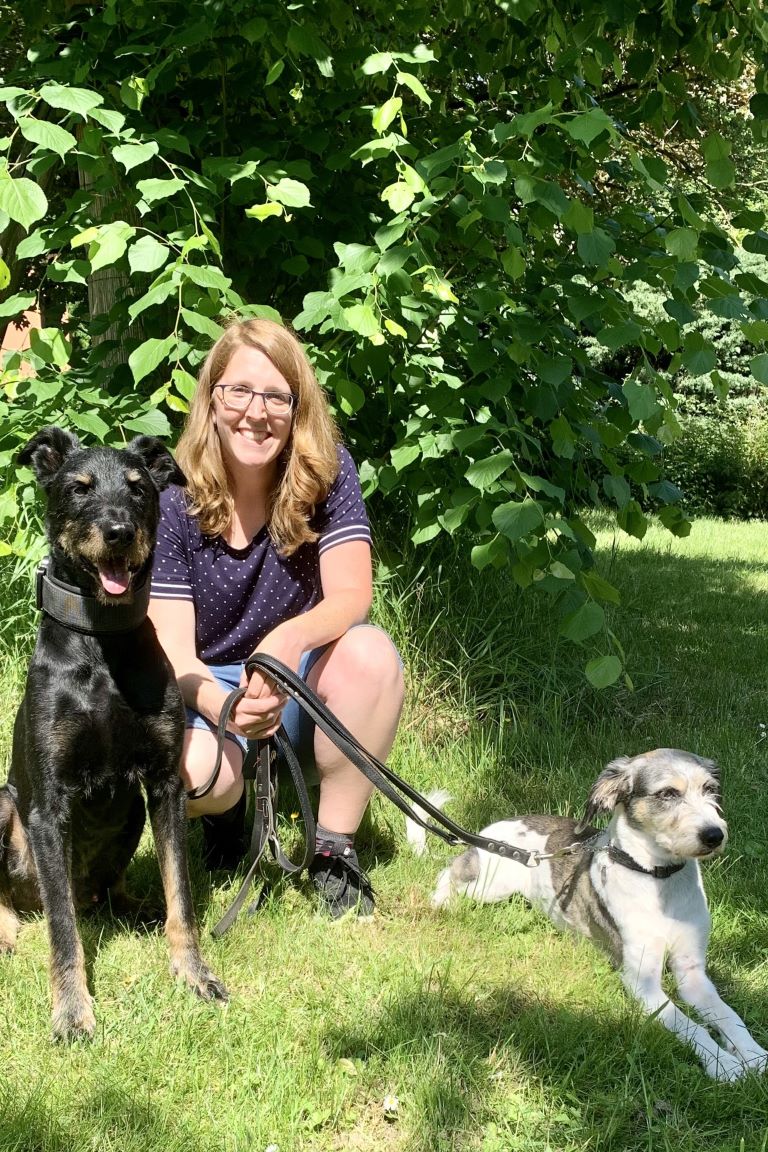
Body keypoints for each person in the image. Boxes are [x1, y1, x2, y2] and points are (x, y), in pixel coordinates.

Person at [148, 318, 404, 919]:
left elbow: (352, 594)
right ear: (212, 399)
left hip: (298, 683)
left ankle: (333, 850)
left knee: (371, 656)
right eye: (239, 391)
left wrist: (288, 638)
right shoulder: (171, 500)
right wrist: (227, 707)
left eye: (276, 397)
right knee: (196, 774)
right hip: (207, 690)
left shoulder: (330, 473)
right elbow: (173, 656)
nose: (255, 412)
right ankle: (228, 813)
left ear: (297, 408)